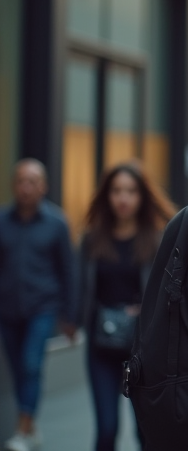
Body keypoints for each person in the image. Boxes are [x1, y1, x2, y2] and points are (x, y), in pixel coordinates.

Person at [77, 162, 174, 451]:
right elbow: (82, 287)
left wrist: (144, 309)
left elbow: (168, 290)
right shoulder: (91, 239)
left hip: (143, 351)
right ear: (106, 195)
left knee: (146, 432)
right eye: (117, 191)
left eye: (131, 191)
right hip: (101, 346)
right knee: (107, 430)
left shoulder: (157, 240)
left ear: (142, 196)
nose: (123, 198)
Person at [0, 160, 76, 451]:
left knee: (31, 364)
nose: (26, 187)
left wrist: (70, 316)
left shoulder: (56, 223)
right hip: (7, 309)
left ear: (43, 186)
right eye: (21, 181)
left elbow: (68, 271)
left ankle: (23, 428)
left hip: (42, 307)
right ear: (13, 185)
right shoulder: (3, 222)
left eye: (32, 181)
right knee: (19, 368)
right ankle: (29, 424)